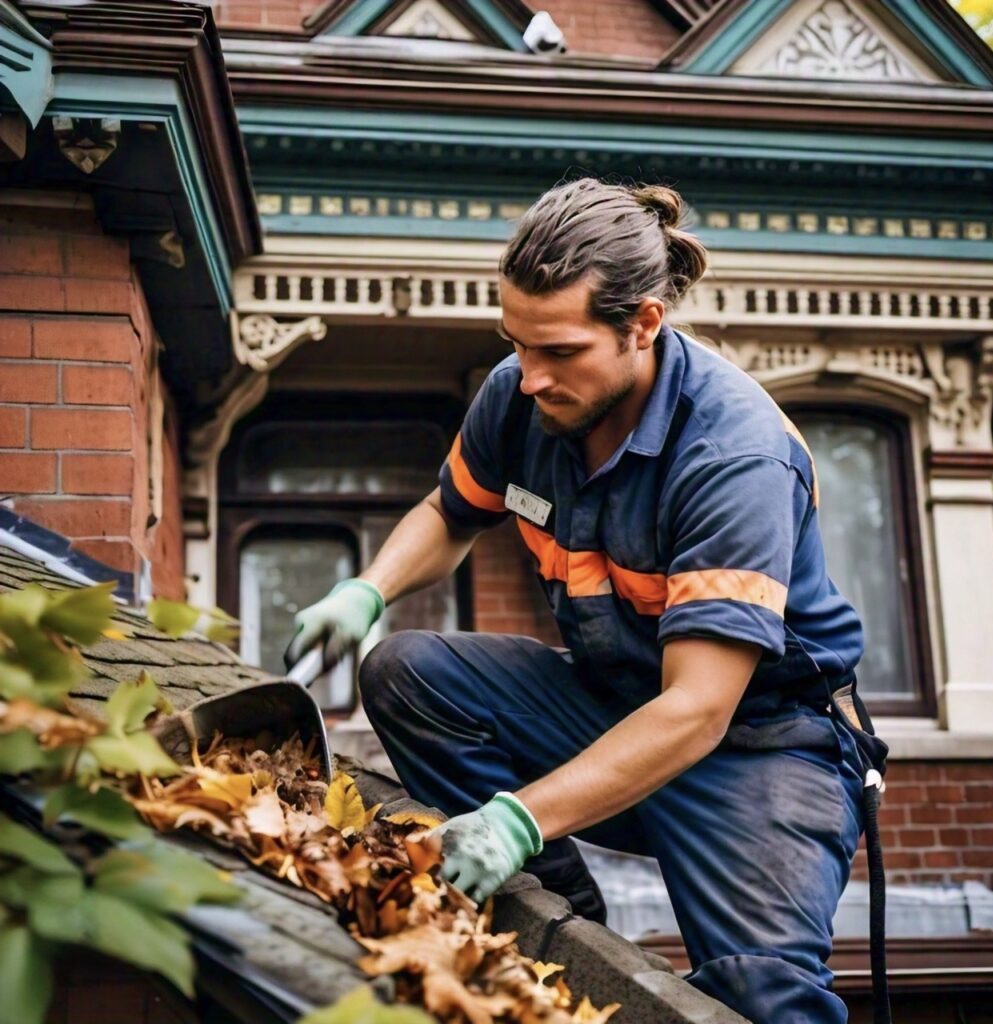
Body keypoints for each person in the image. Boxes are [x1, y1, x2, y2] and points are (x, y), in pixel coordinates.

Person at [285, 177, 876, 1023]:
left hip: (760, 747)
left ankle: (528, 844)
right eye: (515, 345)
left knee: (759, 995)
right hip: (614, 705)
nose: (529, 377)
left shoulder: (733, 454)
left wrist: (519, 818)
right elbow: (451, 513)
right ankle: (554, 919)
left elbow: (699, 710)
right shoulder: (521, 396)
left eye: (558, 352)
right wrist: (365, 591)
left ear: (642, 325)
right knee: (410, 672)